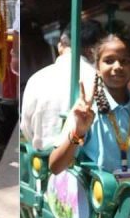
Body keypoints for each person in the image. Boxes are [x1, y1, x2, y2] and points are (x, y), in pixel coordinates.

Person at [49, 34, 130, 182]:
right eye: (109, 61)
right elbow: (55, 166)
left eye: (125, 61)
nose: (117, 67)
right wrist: (78, 132)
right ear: (97, 67)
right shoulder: (86, 109)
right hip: (97, 193)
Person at [21, 20, 104, 149]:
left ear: (61, 44)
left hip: (40, 158)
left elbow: (26, 128)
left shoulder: (36, 79)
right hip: (85, 158)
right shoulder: (99, 80)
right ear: (94, 50)